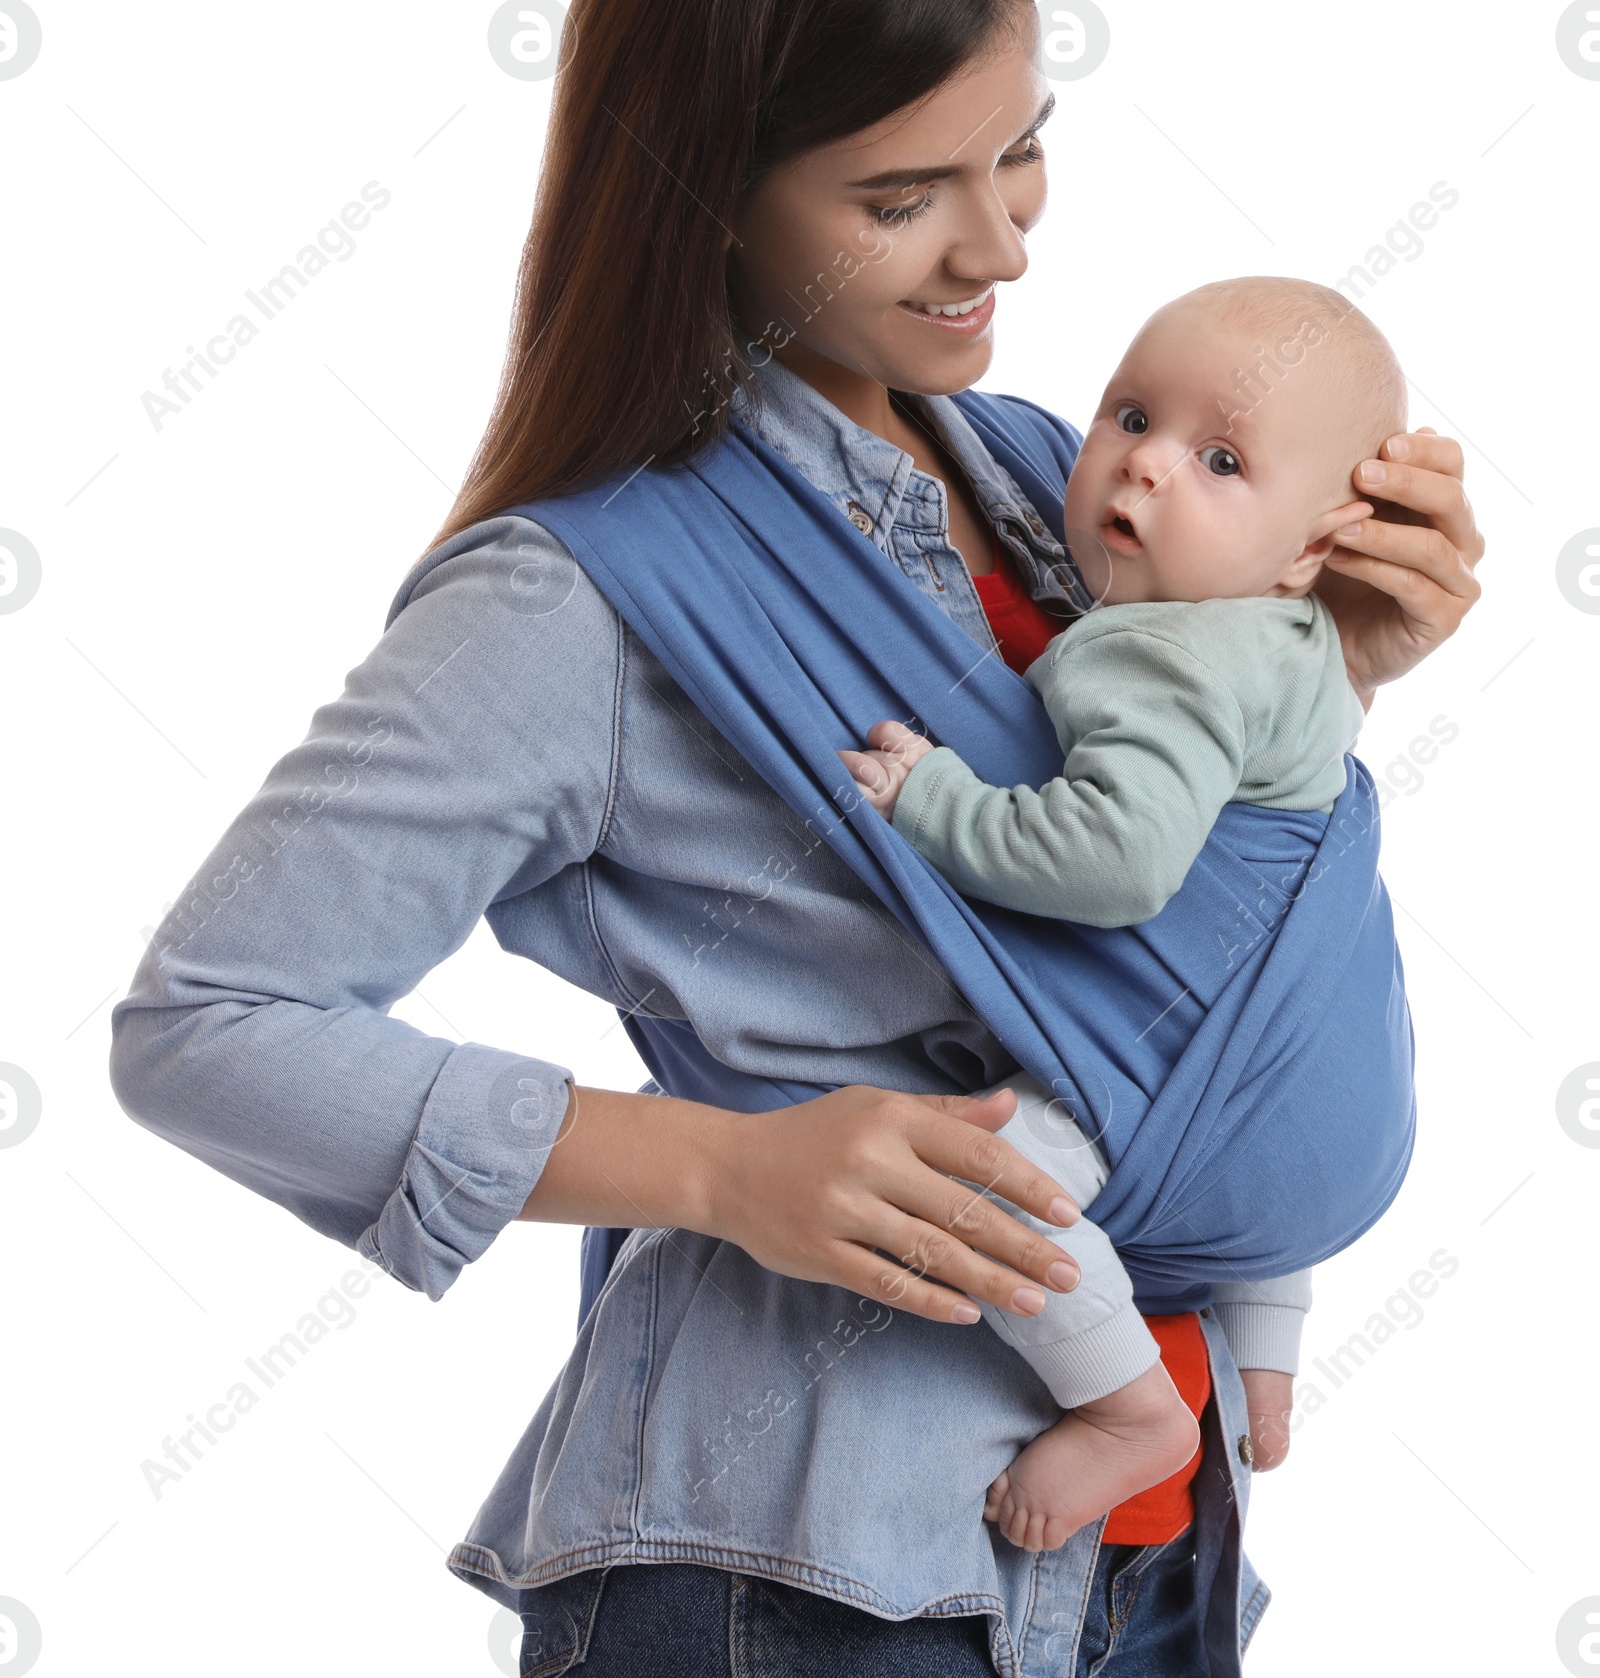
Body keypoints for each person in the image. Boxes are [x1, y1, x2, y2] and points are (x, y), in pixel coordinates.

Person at [107, 3, 1484, 1673]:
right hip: (808, 1562)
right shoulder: (578, 598)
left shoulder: (1055, 475)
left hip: (1153, 1556)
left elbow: (1145, 934)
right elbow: (205, 1023)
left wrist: (1335, 665)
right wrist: (728, 1169)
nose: (1001, 245)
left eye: (1025, 147)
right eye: (903, 194)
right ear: (708, 192)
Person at [838, 274, 1406, 1553]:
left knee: (994, 1189)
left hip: (1201, 1078)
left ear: (1315, 543)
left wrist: (938, 801)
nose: (1143, 469)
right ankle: (1259, 1365)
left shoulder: (1156, 651)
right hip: (1333, 1097)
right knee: (1247, 1077)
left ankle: (1129, 1411)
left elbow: (1118, 863)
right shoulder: (1305, 638)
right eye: (1129, 415)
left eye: (1218, 459)